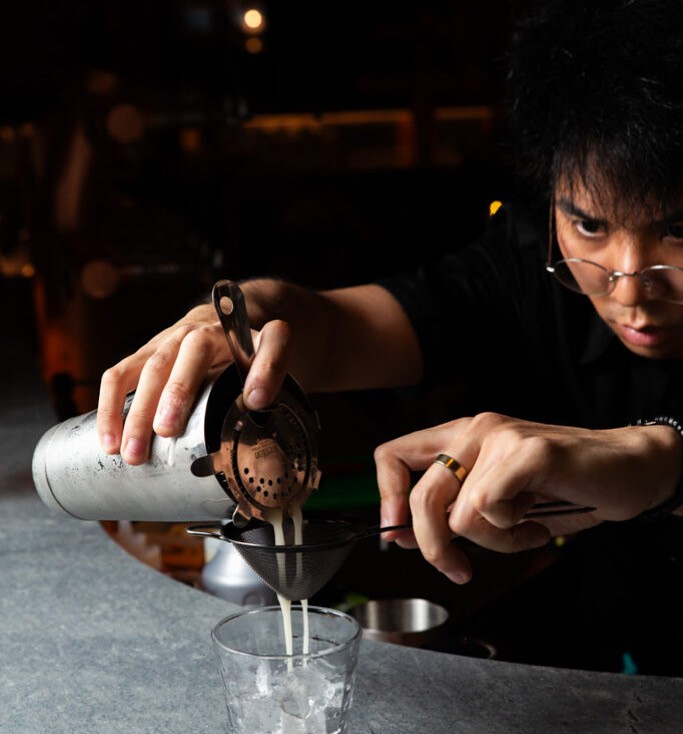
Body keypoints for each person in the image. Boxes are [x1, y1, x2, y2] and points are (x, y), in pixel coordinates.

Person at [96, 0, 683, 674]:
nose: (629, 285)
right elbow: (339, 328)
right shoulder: (526, 258)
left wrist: (654, 458)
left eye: (676, 232)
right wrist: (244, 317)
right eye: (588, 227)